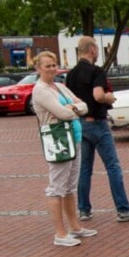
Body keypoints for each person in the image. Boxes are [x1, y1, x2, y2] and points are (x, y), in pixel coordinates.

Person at [66, 36, 129, 222]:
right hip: (97, 123)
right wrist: (109, 97)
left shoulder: (71, 74)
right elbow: (98, 95)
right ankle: (123, 209)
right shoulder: (96, 71)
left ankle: (84, 209)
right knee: (112, 166)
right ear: (93, 49)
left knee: (85, 168)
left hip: (80, 123)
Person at [32, 50, 96, 247]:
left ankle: (75, 226)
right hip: (58, 140)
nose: (52, 69)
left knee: (69, 186)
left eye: (54, 65)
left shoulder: (59, 86)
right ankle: (60, 233)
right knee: (57, 187)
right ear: (38, 68)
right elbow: (62, 112)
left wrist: (73, 109)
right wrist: (74, 110)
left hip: (73, 137)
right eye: (47, 66)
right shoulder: (41, 90)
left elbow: (83, 105)